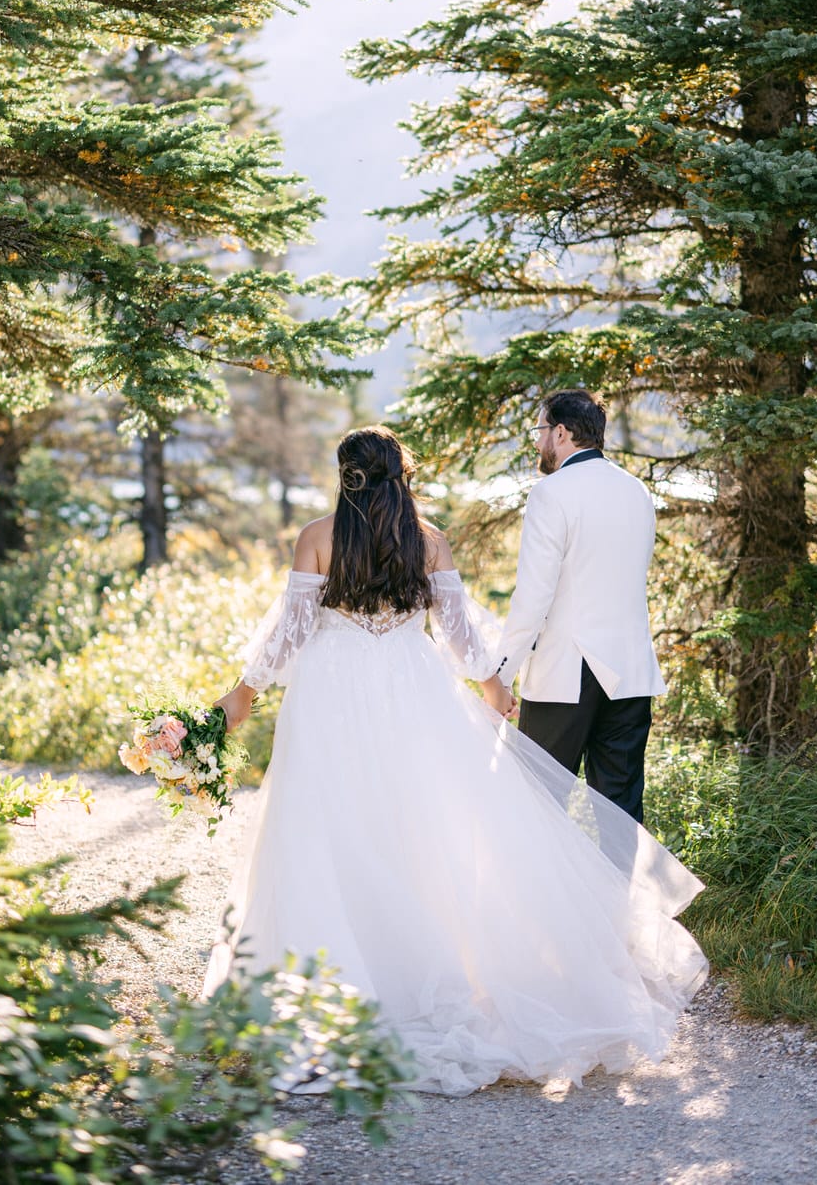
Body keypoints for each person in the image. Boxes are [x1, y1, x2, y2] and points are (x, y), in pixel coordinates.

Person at [206, 425, 707, 1097]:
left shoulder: (317, 536)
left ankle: (330, 995)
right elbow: (464, 635)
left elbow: (287, 635)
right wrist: (494, 686)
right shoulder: (428, 538)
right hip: (412, 691)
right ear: (398, 473)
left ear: (344, 472)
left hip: (332, 694)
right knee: (416, 834)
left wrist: (240, 696)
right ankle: (415, 980)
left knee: (326, 834)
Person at [489, 388, 664, 822]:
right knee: (621, 811)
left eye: (540, 430)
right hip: (630, 670)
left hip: (568, 671)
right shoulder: (637, 491)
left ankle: (537, 892)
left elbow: (534, 596)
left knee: (537, 800)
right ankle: (623, 891)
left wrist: (502, 673)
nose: (537, 442)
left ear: (561, 433)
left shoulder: (551, 493)